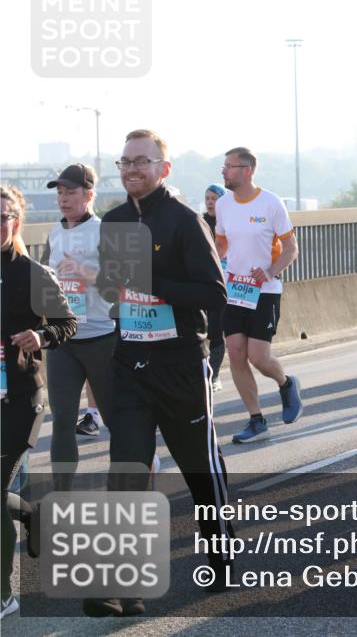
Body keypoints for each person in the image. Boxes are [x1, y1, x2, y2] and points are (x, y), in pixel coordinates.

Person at [94, 129, 234, 615]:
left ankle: (220, 553)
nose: (132, 169)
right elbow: (113, 289)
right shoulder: (113, 221)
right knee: (127, 471)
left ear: (163, 168)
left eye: (142, 161)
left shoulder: (184, 221)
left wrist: (151, 283)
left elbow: (214, 294)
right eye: (125, 162)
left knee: (199, 470)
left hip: (180, 366)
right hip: (130, 364)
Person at [2, 185, 78, 620]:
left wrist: (40, 335)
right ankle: (32, 514)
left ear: (16, 222)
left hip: (19, 398)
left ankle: (4, 595)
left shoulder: (33, 274)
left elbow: (67, 323)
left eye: (2, 216)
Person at [214, 148, 304, 443]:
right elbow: (221, 245)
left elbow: (291, 249)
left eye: (229, 166)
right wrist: (210, 267)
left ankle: (286, 383)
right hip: (234, 290)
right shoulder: (223, 204)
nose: (224, 171)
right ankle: (256, 420)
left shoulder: (271, 203)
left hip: (264, 291)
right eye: (224, 166)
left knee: (259, 357)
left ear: (248, 170)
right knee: (236, 353)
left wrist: (270, 271)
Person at [41, 163, 116, 489]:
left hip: (101, 338)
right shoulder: (54, 234)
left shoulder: (104, 231)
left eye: (70, 192)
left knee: (115, 420)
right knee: (61, 421)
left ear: (89, 195)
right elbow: (42, 286)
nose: (63, 199)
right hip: (64, 342)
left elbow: (121, 286)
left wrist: (85, 271)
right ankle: (62, 495)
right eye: (59, 193)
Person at [203, 184, 227, 391]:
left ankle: (214, 376)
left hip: (224, 285)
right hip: (201, 283)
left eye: (214, 198)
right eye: (207, 198)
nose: (210, 202)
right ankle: (203, 373)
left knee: (217, 331)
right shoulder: (199, 222)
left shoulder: (230, 222)